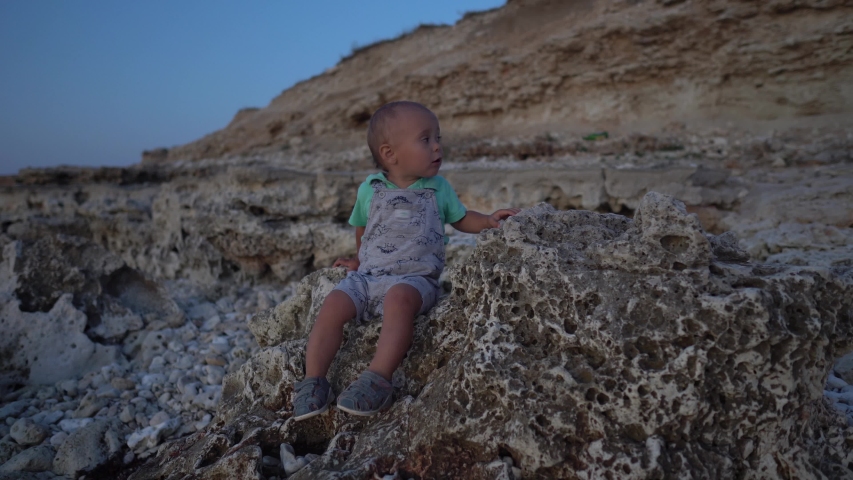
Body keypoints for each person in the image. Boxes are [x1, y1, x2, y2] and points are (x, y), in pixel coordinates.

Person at [292, 101, 520, 420]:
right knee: (332, 304)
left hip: (415, 280)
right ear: (390, 154)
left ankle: (377, 379)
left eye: (437, 137)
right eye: (425, 139)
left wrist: (488, 221)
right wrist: (358, 260)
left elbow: (461, 218)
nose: (437, 146)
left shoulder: (438, 188)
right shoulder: (370, 189)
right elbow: (363, 227)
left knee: (399, 301)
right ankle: (313, 381)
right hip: (369, 277)